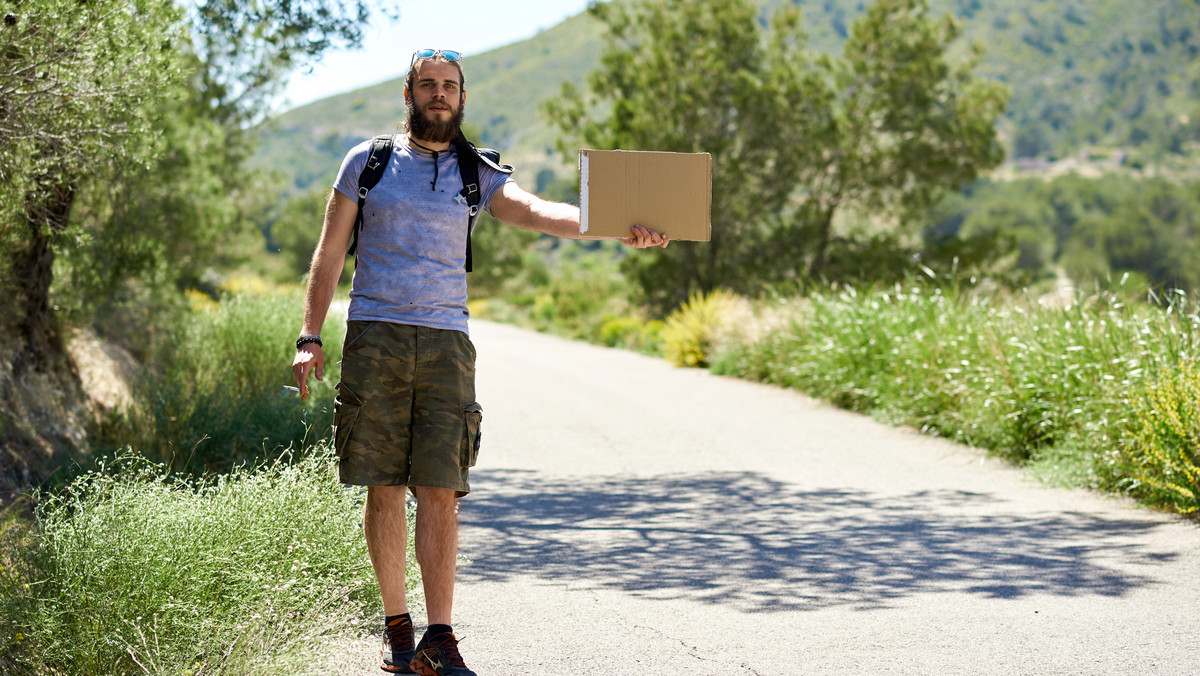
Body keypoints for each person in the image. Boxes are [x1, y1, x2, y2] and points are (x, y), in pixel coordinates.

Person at [291, 49, 669, 676]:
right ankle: (398, 634)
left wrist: (613, 227)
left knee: (441, 490)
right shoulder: (367, 162)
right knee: (383, 486)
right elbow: (329, 254)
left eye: (450, 86)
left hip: (446, 343)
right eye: (429, 84)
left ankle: (440, 641)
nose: (439, 94)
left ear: (463, 97)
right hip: (375, 337)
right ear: (409, 92)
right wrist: (310, 335)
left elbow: (540, 213)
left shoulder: (478, 171)